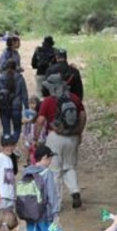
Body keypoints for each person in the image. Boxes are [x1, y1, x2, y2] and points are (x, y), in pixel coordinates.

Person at [34, 74, 87, 209]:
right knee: (70, 166)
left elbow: (40, 121)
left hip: (55, 137)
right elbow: (82, 115)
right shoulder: (74, 98)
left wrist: (36, 138)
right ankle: (75, 192)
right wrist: (79, 132)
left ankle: (56, 202)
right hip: (73, 137)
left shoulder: (49, 101)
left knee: (55, 170)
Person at [18, 145, 59, 231]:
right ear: (45, 158)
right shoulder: (47, 173)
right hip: (45, 213)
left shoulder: (26, 172)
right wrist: (55, 213)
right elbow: (52, 195)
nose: (51, 161)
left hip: (30, 213)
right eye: (50, 158)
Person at [0, 59, 29, 143]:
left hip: (4, 106)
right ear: (16, 67)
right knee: (17, 129)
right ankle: (12, 146)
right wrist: (27, 109)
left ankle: (7, 147)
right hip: (16, 106)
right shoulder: (20, 78)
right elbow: (24, 95)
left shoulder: (0, 78)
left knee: (6, 130)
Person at [0, 134, 17, 210]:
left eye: (11, 145)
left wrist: (14, 195)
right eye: (6, 145)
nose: (9, 148)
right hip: (2, 196)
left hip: (10, 196)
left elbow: (12, 179)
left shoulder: (10, 159)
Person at [22, 96, 43, 164]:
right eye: (30, 103)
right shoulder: (26, 112)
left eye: (33, 103)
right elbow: (23, 120)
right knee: (28, 146)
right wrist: (30, 120)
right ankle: (28, 160)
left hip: (36, 132)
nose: (31, 105)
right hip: (28, 132)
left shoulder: (39, 112)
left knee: (36, 145)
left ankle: (36, 159)